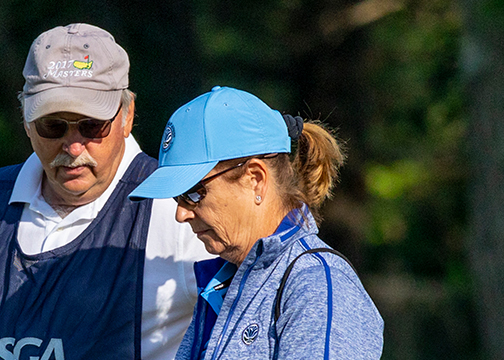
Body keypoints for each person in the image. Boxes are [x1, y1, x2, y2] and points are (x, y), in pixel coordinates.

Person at [0, 23, 217, 360]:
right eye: (53, 126)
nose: (74, 145)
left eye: (92, 125)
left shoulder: (177, 208)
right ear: (26, 122)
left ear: (127, 116)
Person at [128, 87, 382, 360]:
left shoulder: (316, 285)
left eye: (193, 193)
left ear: (255, 179)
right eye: (178, 197)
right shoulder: (224, 281)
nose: (181, 214)